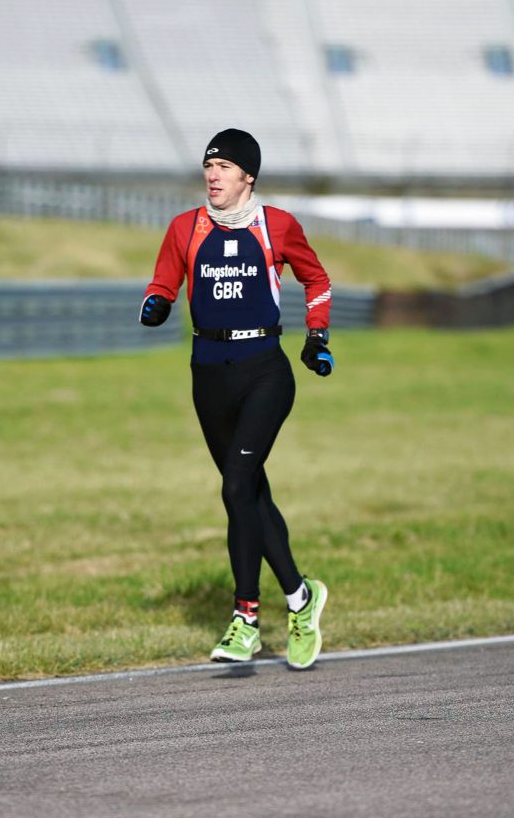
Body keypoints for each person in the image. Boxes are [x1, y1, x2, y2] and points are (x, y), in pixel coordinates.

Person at [140, 129, 334, 669]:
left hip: (264, 372)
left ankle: (245, 618)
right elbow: (163, 282)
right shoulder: (186, 227)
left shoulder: (278, 226)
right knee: (249, 494)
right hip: (208, 374)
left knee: (234, 486)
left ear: (248, 175)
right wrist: (155, 304)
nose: (214, 174)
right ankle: (301, 598)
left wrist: (316, 336)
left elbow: (315, 280)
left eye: (225, 166)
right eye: (209, 166)